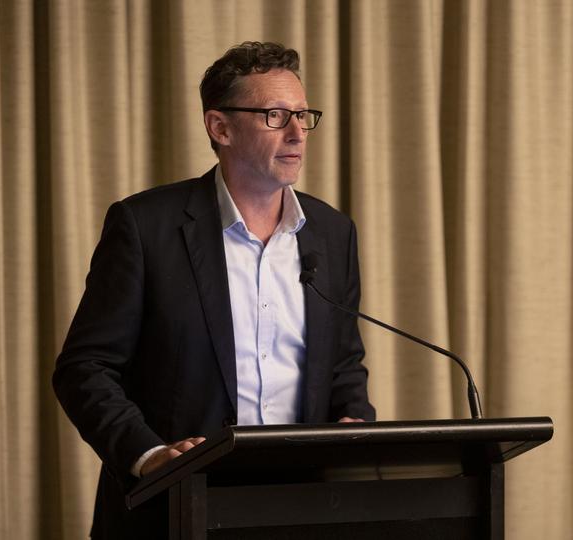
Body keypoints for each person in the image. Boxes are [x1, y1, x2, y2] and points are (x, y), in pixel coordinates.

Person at [52, 41, 375, 539]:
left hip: (301, 510)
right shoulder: (145, 226)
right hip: (176, 509)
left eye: (303, 116)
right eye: (274, 115)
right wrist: (149, 454)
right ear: (219, 127)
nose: (297, 134)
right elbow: (84, 368)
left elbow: (342, 363)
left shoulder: (332, 233)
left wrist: (354, 420)